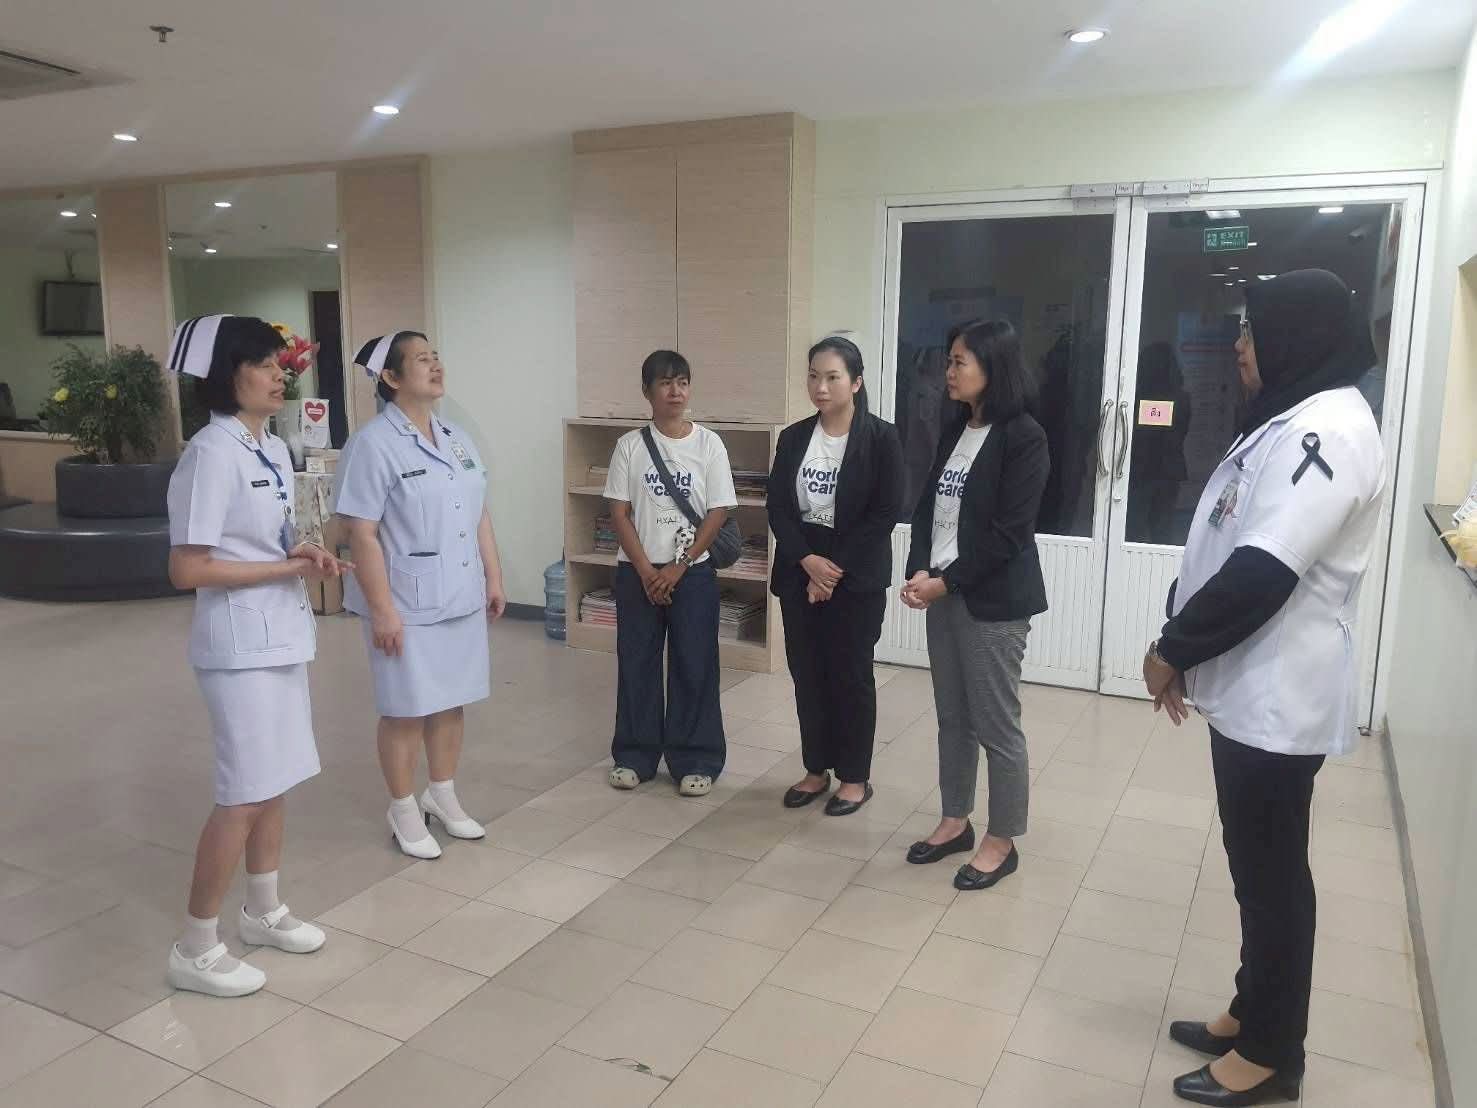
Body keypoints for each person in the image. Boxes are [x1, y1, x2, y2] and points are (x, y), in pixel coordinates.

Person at [1143, 270, 1384, 1106]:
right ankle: (1252, 1010)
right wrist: (1184, 628)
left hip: (1278, 695)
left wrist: (1171, 648)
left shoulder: (1330, 430)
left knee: (1273, 877)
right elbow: (1226, 538)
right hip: (1248, 686)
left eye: (1251, 330)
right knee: (1254, 868)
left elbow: (1262, 570)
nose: (1239, 346)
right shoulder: (1293, 414)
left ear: (1298, 333)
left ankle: (1273, 1056)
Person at [164, 315, 348, 997]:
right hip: (238, 648)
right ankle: (194, 947)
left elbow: (259, 540)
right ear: (227, 375)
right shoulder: (210, 453)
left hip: (279, 635)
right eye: (266, 366)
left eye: (281, 366)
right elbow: (188, 568)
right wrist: (283, 570)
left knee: (274, 781)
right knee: (241, 793)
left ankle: (262, 911)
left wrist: (298, 551)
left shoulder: (267, 446)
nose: (280, 377)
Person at [334, 333, 507, 860]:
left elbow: (478, 510)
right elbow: (360, 532)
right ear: (390, 378)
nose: (436, 366)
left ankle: (442, 793)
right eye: (422, 360)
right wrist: (382, 610)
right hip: (405, 602)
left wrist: (493, 576)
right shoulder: (372, 444)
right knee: (405, 709)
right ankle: (403, 807)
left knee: (452, 700)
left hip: (460, 592)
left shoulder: (456, 437)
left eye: (437, 357)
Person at [900, 319, 1049, 891]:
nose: (949, 371)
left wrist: (948, 582)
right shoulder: (957, 428)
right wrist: (920, 568)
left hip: (992, 602)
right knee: (953, 718)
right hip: (944, 591)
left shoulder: (1024, 436)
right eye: (950, 360)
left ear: (993, 366)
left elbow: (1009, 534)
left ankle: (1002, 839)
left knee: (996, 725)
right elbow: (929, 506)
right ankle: (955, 819)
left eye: (959, 361)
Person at [767, 336, 903, 815]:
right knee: (807, 674)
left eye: (832, 377)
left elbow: (885, 512)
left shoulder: (881, 438)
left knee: (850, 676)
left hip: (855, 576)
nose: (820, 387)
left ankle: (854, 777)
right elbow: (778, 508)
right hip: (799, 569)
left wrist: (831, 570)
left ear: (856, 382)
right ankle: (815, 769)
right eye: (813, 376)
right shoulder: (793, 437)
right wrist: (807, 561)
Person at [603, 349, 736, 797]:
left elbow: (718, 511)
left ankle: (696, 759)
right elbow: (619, 513)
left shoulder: (709, 444)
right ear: (647, 392)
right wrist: (646, 571)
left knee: (695, 664)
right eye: (665, 383)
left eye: (682, 382)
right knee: (637, 664)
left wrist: (679, 566)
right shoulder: (629, 446)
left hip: (692, 574)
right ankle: (634, 755)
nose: (675, 391)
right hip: (637, 573)